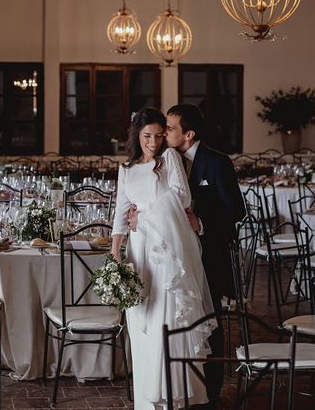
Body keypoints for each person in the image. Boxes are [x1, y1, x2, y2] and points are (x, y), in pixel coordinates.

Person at [110, 107, 216, 410]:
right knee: (142, 316)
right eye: (147, 136)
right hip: (139, 250)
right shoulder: (126, 169)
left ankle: (171, 391)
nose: (153, 142)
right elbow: (120, 211)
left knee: (164, 317)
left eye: (159, 135)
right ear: (136, 136)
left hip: (167, 249)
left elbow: (182, 198)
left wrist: (143, 216)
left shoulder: (168, 159)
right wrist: (116, 251)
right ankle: (147, 394)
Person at [165, 103, 246, 409]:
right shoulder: (165, 160)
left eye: (171, 128)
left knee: (209, 324)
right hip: (177, 258)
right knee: (181, 317)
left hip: (210, 254)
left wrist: (202, 224)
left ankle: (209, 392)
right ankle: (182, 384)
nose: (165, 133)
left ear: (188, 134)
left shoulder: (216, 162)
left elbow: (237, 210)